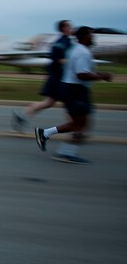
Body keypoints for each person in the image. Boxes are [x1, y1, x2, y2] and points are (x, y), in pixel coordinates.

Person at [34, 26, 111, 163]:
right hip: (75, 89)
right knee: (80, 124)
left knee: (80, 123)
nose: (93, 37)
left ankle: (48, 136)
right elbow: (81, 74)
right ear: (84, 37)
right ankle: (65, 151)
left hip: (73, 89)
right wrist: (102, 76)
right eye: (91, 35)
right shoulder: (82, 52)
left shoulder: (76, 49)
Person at [13, 20, 73, 131]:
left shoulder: (69, 42)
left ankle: (22, 116)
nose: (71, 28)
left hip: (60, 78)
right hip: (58, 79)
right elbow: (54, 59)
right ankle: (76, 129)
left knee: (49, 103)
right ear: (63, 28)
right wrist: (66, 61)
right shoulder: (60, 43)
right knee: (67, 103)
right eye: (69, 26)